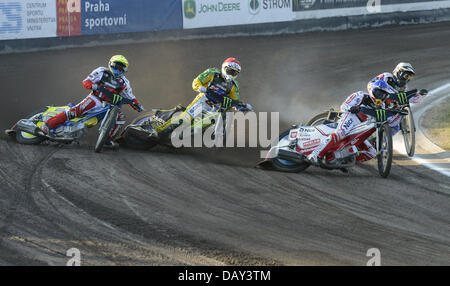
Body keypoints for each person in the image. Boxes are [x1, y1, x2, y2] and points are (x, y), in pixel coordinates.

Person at [39, 55, 144, 147]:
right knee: (76, 111)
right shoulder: (101, 71)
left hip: (110, 106)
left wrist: (137, 105)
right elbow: (86, 82)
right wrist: (95, 86)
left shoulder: (124, 82)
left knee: (121, 117)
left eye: (121, 68)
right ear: (110, 64)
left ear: (125, 70)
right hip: (95, 98)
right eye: (116, 66)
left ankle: (107, 140)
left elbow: (130, 96)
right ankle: (48, 125)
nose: (117, 70)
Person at [307, 79, 397, 164]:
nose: (381, 97)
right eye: (379, 93)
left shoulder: (382, 106)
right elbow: (343, 106)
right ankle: (315, 155)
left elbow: (385, 121)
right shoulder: (360, 95)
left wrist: (396, 111)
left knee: (372, 153)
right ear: (373, 90)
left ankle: (342, 160)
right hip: (351, 118)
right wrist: (351, 108)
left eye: (384, 95)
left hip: (361, 129)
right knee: (340, 133)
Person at [368, 62, 427, 134]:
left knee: (396, 127)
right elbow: (371, 84)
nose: (407, 79)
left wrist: (420, 95)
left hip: (388, 110)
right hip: (377, 101)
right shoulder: (387, 76)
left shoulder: (403, 88)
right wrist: (379, 93)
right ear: (399, 72)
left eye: (409, 77)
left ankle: (384, 142)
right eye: (406, 76)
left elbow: (410, 99)